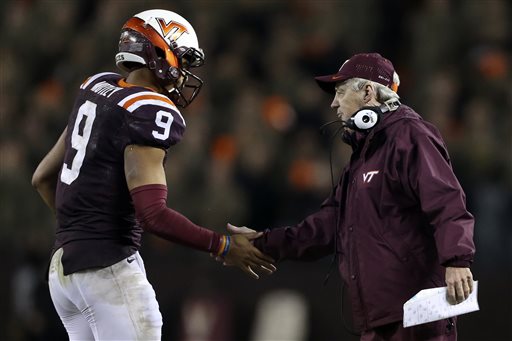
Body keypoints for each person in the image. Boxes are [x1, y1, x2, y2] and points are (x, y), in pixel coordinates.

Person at [31, 9, 275, 341]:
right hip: (107, 270)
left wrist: (81, 234)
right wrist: (222, 245)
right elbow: (153, 215)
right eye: (184, 60)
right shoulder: (149, 110)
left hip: (64, 273)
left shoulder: (97, 87)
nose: (184, 73)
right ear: (159, 52)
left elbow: (42, 177)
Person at [226, 53, 475, 340]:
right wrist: (263, 243)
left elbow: (446, 200)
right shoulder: (362, 157)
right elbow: (325, 227)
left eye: (341, 92)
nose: (333, 103)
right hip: (381, 316)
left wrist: (457, 260)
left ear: (368, 92)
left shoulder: (410, 135)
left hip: (418, 313)